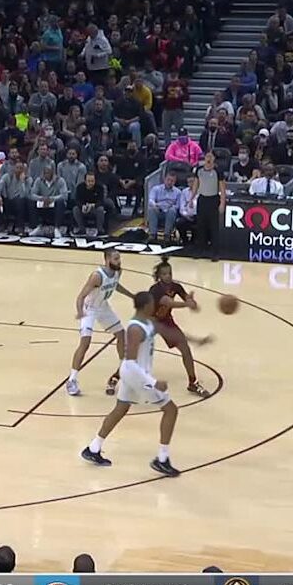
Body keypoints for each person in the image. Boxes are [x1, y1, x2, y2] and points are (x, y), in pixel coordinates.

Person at [81, 291, 210, 475]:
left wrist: (197, 341)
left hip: (135, 374)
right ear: (145, 306)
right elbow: (131, 361)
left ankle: (93, 448)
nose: (155, 306)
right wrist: (153, 382)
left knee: (121, 409)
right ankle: (162, 459)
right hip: (136, 374)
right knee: (171, 409)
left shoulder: (149, 323)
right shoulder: (135, 329)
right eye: (152, 304)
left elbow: (171, 332)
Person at [66, 249, 133, 397]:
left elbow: (115, 285)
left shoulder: (118, 272)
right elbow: (81, 296)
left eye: (119, 258)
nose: (119, 261)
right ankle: (72, 380)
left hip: (103, 307)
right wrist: (80, 312)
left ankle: (124, 368)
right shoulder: (96, 276)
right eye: (116, 259)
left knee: (121, 334)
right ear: (107, 259)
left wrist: (132, 295)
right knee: (85, 343)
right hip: (89, 309)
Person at [150, 259, 210, 396]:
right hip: (150, 321)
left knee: (185, 348)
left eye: (170, 273)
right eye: (164, 274)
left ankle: (193, 383)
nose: (168, 276)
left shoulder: (176, 287)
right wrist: (186, 305)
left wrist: (192, 303)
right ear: (159, 276)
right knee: (134, 352)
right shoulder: (155, 290)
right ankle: (117, 377)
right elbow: (168, 302)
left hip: (165, 321)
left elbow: (189, 302)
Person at [192, 153, 225, 259]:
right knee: (201, 226)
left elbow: (222, 189)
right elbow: (196, 185)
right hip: (202, 199)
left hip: (213, 200)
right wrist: (191, 198)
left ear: (214, 158)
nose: (209, 159)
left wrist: (222, 203)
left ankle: (215, 253)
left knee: (213, 227)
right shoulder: (199, 170)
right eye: (207, 157)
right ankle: (200, 250)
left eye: (211, 157)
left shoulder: (218, 171)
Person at [146, 173, 182, 244]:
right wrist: (155, 205)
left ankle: (167, 235)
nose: (169, 182)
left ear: (174, 182)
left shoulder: (178, 192)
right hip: (158, 210)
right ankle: (153, 235)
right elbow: (151, 200)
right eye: (168, 180)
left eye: (172, 181)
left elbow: (178, 205)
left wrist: (171, 207)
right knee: (151, 209)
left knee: (172, 210)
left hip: (170, 213)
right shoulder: (156, 189)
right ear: (164, 179)